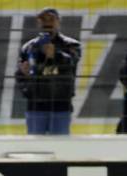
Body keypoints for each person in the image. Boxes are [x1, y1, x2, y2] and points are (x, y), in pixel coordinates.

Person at [15, 7, 81, 135]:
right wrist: (25, 75)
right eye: (43, 19)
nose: (47, 22)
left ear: (58, 22)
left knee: (60, 148)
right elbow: (20, 76)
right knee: (35, 148)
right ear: (38, 23)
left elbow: (72, 63)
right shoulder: (28, 47)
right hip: (36, 106)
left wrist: (55, 54)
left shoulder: (71, 45)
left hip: (61, 106)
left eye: (51, 19)